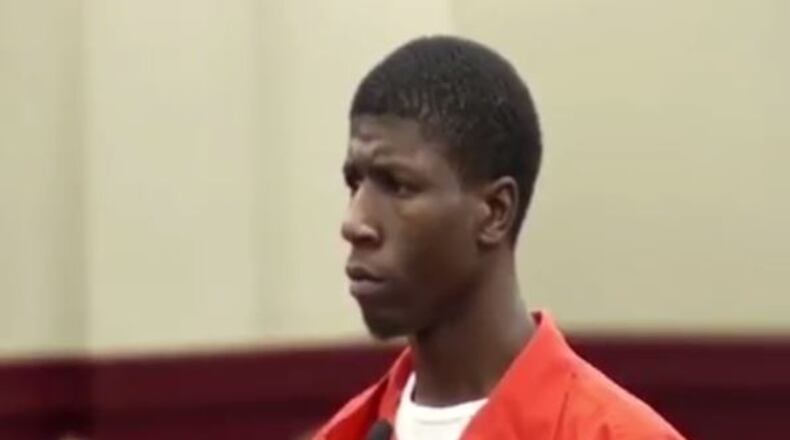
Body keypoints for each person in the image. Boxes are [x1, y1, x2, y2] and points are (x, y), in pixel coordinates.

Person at [314, 36, 684, 440]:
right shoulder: (344, 434)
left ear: (495, 212)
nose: (354, 223)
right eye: (355, 184)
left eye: (397, 185)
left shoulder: (614, 433)